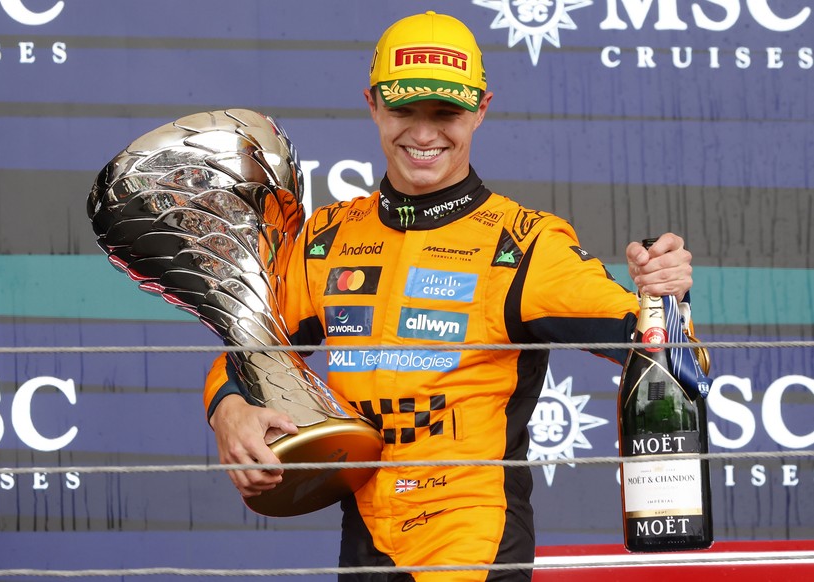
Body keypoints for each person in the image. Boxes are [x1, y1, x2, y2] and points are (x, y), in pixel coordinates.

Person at [203, 10, 696, 581]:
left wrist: (666, 296)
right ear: (372, 104)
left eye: (446, 112)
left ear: (481, 110)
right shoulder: (327, 239)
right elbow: (249, 349)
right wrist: (228, 409)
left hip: (472, 543)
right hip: (363, 537)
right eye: (404, 109)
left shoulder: (526, 244)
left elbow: (668, 359)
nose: (423, 132)